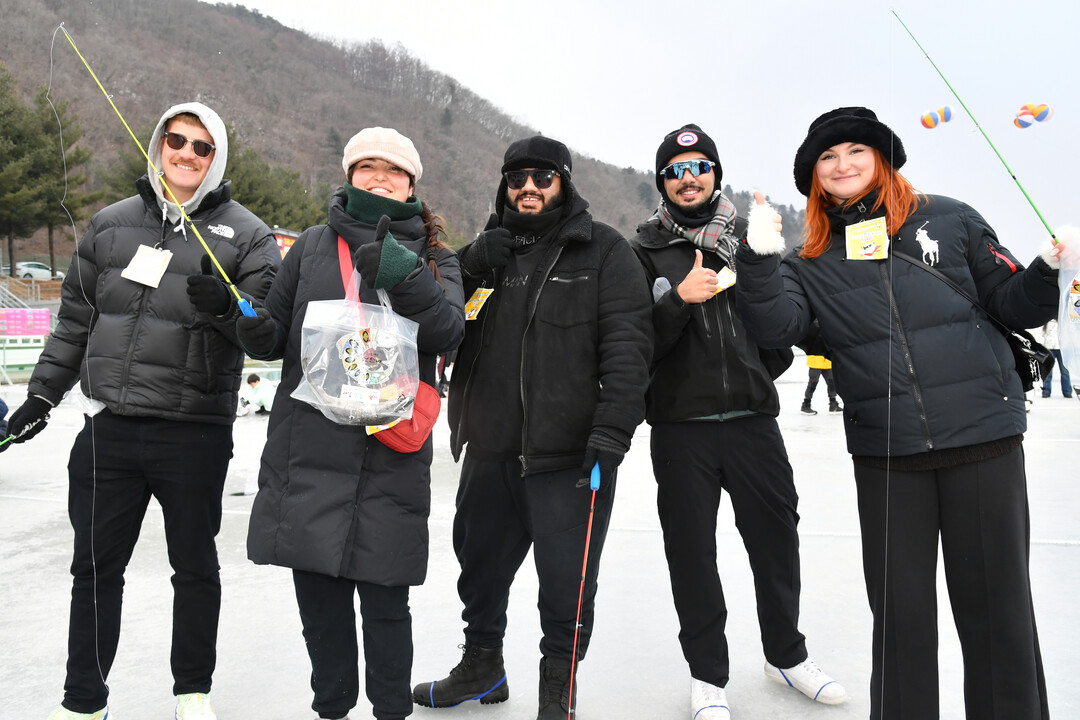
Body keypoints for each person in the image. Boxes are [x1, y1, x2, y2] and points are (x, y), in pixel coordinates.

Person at [734, 106, 1069, 720]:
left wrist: (1049, 271)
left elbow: (1012, 302)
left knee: (998, 614)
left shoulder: (950, 217)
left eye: (855, 152)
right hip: (889, 456)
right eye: (827, 159)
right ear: (814, 178)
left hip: (984, 442)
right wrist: (757, 259)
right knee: (901, 619)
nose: (842, 165)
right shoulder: (807, 260)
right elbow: (777, 327)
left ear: (882, 158)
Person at [0, 102, 280, 720]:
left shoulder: (249, 234)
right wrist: (42, 396)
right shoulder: (109, 225)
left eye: (201, 146)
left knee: (195, 567)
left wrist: (226, 310)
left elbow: (269, 335)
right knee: (95, 570)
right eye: (175, 140)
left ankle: (191, 692)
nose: (185, 153)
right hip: (110, 430)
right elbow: (75, 320)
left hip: (194, 432)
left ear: (217, 158)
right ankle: (83, 702)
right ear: (157, 145)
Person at [411, 136, 652, 720]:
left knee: (566, 588)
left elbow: (629, 347)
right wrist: (468, 265)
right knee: (480, 569)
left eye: (542, 177)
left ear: (563, 183)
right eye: (517, 177)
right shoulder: (484, 256)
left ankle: (556, 699)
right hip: (491, 449)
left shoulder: (604, 252)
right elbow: (434, 320)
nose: (528, 187)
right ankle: (483, 669)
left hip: (570, 455)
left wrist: (612, 432)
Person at [237, 127, 465, 720]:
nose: (380, 177)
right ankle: (331, 708)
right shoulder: (312, 246)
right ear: (349, 175)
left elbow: (448, 333)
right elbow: (272, 333)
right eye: (367, 166)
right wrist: (237, 320)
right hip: (309, 447)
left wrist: (405, 275)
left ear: (412, 183)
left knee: (387, 605)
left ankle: (391, 710)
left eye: (393, 169)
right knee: (320, 604)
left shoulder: (439, 257)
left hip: (388, 451)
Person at [628, 124, 845, 720]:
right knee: (691, 552)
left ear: (716, 174)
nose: (688, 177)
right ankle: (708, 676)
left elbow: (783, 329)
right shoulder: (641, 251)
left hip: (753, 423)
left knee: (777, 541)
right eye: (675, 170)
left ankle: (787, 654)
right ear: (663, 182)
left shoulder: (753, 240)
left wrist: (756, 367)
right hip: (679, 427)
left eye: (699, 166)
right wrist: (676, 301)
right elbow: (629, 345)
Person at [1039, 319, 1072, 397]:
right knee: (1048, 372)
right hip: (1049, 348)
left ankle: (1067, 392)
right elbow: (1041, 334)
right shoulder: (1046, 321)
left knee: (1064, 372)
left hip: (1062, 348)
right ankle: (1046, 392)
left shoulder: (1063, 320)